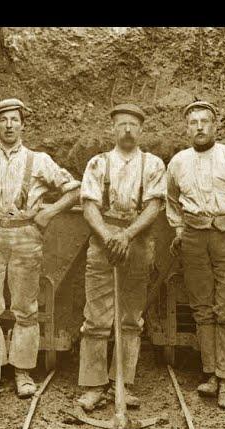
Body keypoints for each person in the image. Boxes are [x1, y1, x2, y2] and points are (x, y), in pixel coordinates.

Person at [0, 98, 80, 398]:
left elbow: (75, 189)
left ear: (23, 124)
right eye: (3, 120)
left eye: (14, 119)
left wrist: (49, 213)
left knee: (25, 307)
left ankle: (23, 371)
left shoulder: (40, 161)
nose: (9, 125)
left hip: (26, 235)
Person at [166, 100, 225, 408]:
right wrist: (180, 231)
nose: (200, 127)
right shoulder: (178, 162)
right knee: (202, 307)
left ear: (215, 126)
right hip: (193, 238)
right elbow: (171, 201)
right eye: (193, 122)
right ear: (187, 128)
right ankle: (212, 374)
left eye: (205, 121)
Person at [76, 104, 166, 412]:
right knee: (96, 317)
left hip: (138, 241)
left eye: (132, 125)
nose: (127, 130)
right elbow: (89, 206)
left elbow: (154, 206)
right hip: (103, 240)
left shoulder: (152, 164)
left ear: (141, 131)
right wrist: (108, 237)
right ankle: (92, 386)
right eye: (121, 125)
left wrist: (126, 237)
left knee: (130, 319)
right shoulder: (98, 164)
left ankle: (122, 384)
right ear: (113, 129)